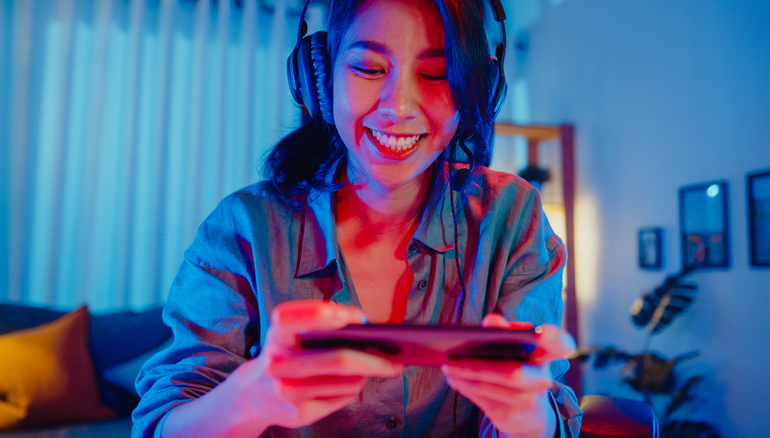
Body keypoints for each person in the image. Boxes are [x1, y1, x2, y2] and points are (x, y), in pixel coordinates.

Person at [132, 0, 582, 436]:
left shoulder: (511, 216)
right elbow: (161, 423)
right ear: (322, 77)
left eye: (436, 74)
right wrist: (252, 398)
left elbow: (545, 413)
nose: (398, 108)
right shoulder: (243, 228)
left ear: (474, 88)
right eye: (368, 68)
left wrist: (528, 418)